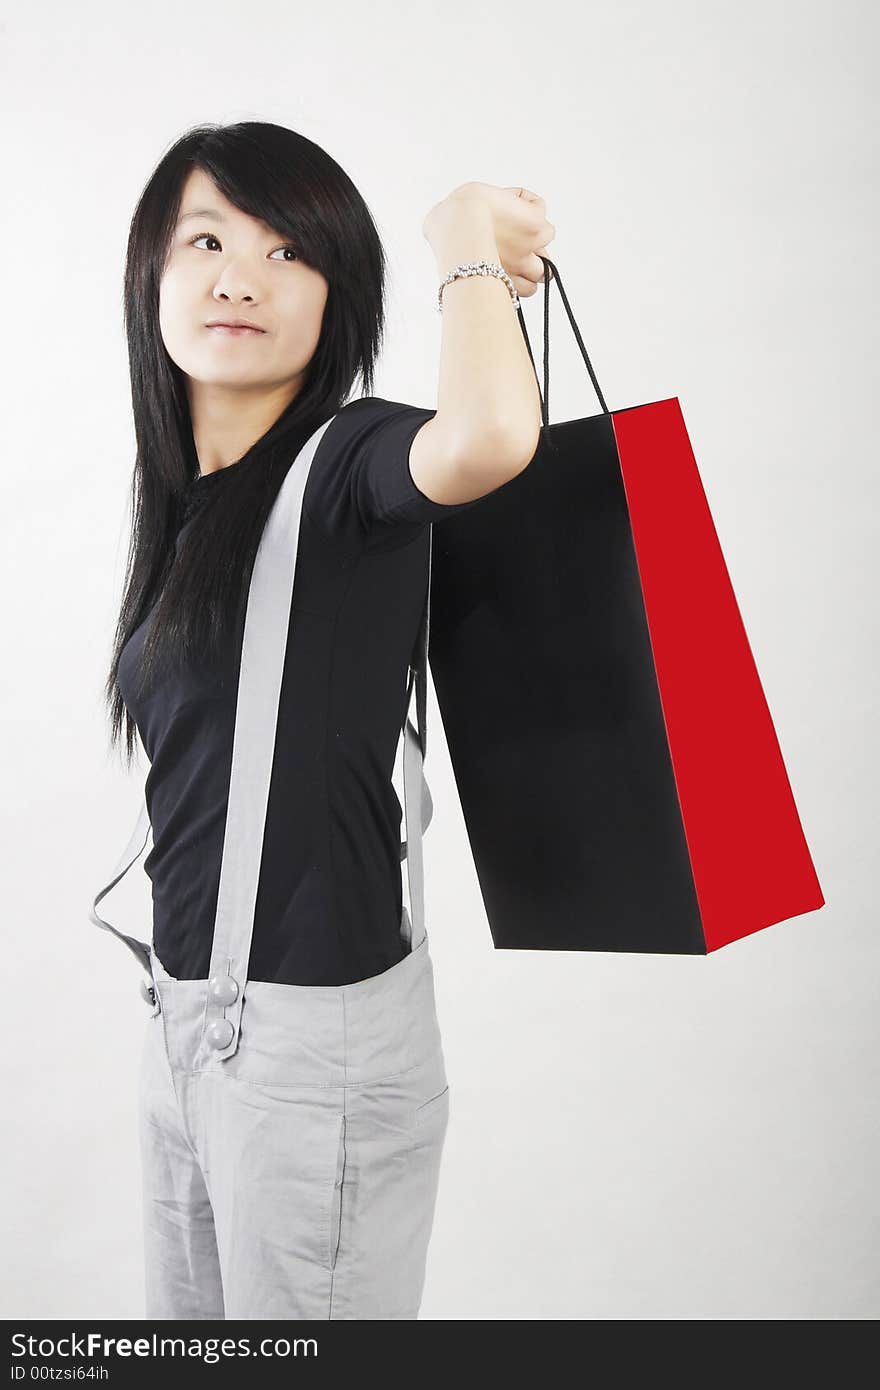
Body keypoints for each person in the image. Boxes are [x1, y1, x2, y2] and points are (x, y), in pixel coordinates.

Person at [95, 120, 553, 1320]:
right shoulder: (190, 509)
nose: (239, 273)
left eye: (287, 249)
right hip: (186, 1033)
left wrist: (461, 243)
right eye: (205, 239)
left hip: (313, 1059)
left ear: (336, 301)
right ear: (152, 271)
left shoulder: (350, 463)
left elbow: (493, 439)